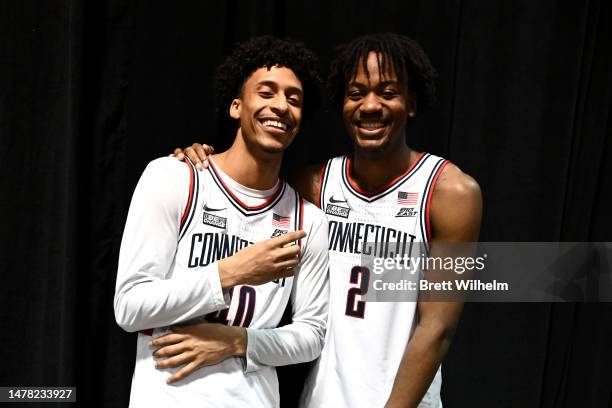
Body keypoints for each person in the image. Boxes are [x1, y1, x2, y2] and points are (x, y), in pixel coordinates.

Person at [173, 33, 482, 407]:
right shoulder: (314, 185)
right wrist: (201, 160)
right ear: (342, 104)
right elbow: (245, 191)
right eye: (356, 93)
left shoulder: (451, 193)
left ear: (412, 103)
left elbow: (438, 329)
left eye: (387, 92)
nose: (370, 105)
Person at [114, 36, 330, 407]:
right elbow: (130, 307)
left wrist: (239, 341)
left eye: (293, 99)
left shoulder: (308, 220)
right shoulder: (175, 178)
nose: (280, 106)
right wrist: (229, 273)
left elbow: (312, 335)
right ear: (235, 107)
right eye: (266, 93)